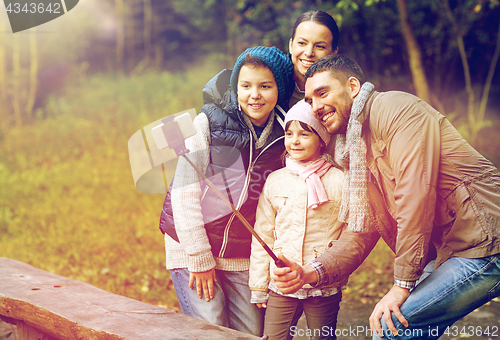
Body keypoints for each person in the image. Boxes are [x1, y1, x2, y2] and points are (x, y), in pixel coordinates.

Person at [271, 54, 500, 340]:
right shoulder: (353, 150)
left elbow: (415, 195)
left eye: (323, 93)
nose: (316, 106)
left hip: (485, 241)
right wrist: (311, 273)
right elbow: (363, 231)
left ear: (353, 86)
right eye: (310, 101)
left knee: (391, 328)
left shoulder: (395, 110)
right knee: (404, 329)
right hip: (452, 251)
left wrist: (402, 284)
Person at [162, 46, 293, 336]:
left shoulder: (287, 134)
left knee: (252, 331)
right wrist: (198, 257)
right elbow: (183, 193)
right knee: (213, 327)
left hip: (239, 251)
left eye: (264, 86)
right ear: (236, 87)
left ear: (279, 90)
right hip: (192, 242)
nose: (254, 95)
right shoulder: (208, 122)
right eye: (245, 86)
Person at [249, 99, 345, 340]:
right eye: (289, 133)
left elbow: (350, 236)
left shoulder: (340, 181)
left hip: (322, 283)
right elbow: (264, 235)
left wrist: (335, 270)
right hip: (283, 282)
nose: (295, 140)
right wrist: (259, 287)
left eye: (304, 133)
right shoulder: (275, 180)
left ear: (321, 138)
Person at [288, 10, 340, 108]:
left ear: (333, 52)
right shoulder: (273, 80)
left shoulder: (340, 89)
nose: (308, 53)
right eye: (302, 43)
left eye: (320, 46)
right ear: (291, 46)